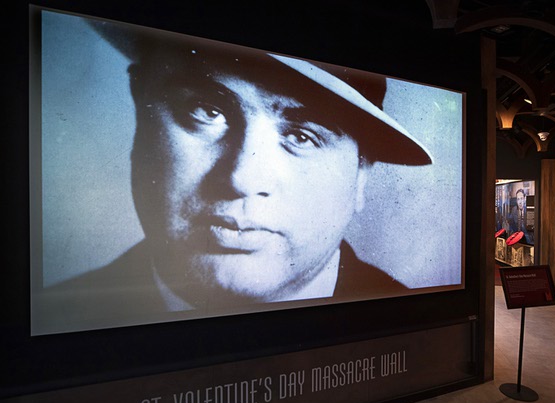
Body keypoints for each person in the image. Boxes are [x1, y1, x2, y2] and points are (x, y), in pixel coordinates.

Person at [32, 15, 436, 334]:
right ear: (142, 106)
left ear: (360, 176)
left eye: (302, 136)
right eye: (205, 111)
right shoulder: (57, 317)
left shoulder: (420, 336)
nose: (243, 177)